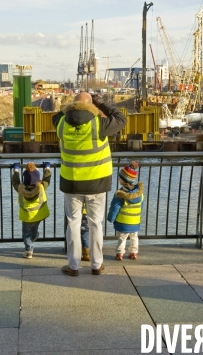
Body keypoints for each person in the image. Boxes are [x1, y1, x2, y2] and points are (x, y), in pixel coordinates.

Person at [52, 92, 127, 276]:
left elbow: (58, 114)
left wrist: (73, 104)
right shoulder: (98, 124)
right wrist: (100, 103)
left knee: (73, 224)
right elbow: (121, 119)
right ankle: (96, 265)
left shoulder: (60, 123)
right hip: (96, 183)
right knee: (95, 224)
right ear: (91, 106)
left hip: (71, 183)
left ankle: (73, 266)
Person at [11, 161, 52, 259]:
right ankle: (33, 238)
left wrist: (16, 169)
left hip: (26, 215)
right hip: (38, 214)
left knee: (26, 233)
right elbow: (47, 179)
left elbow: (15, 182)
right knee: (34, 230)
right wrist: (47, 168)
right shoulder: (41, 187)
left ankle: (28, 250)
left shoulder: (20, 188)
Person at [107, 161, 144, 260]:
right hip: (135, 222)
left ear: (122, 181)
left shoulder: (119, 195)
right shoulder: (140, 194)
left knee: (122, 238)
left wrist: (110, 218)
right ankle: (134, 253)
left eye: (119, 178)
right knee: (134, 238)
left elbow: (114, 207)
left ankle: (120, 254)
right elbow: (141, 206)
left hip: (122, 222)